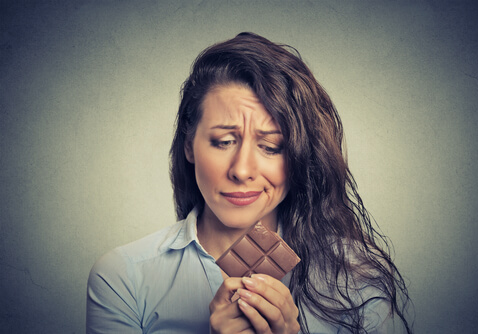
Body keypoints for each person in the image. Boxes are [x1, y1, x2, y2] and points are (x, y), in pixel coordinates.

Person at [86, 32, 412, 334]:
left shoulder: (357, 276)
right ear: (189, 145)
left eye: (270, 147)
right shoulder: (124, 277)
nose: (242, 170)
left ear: (298, 156)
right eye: (224, 141)